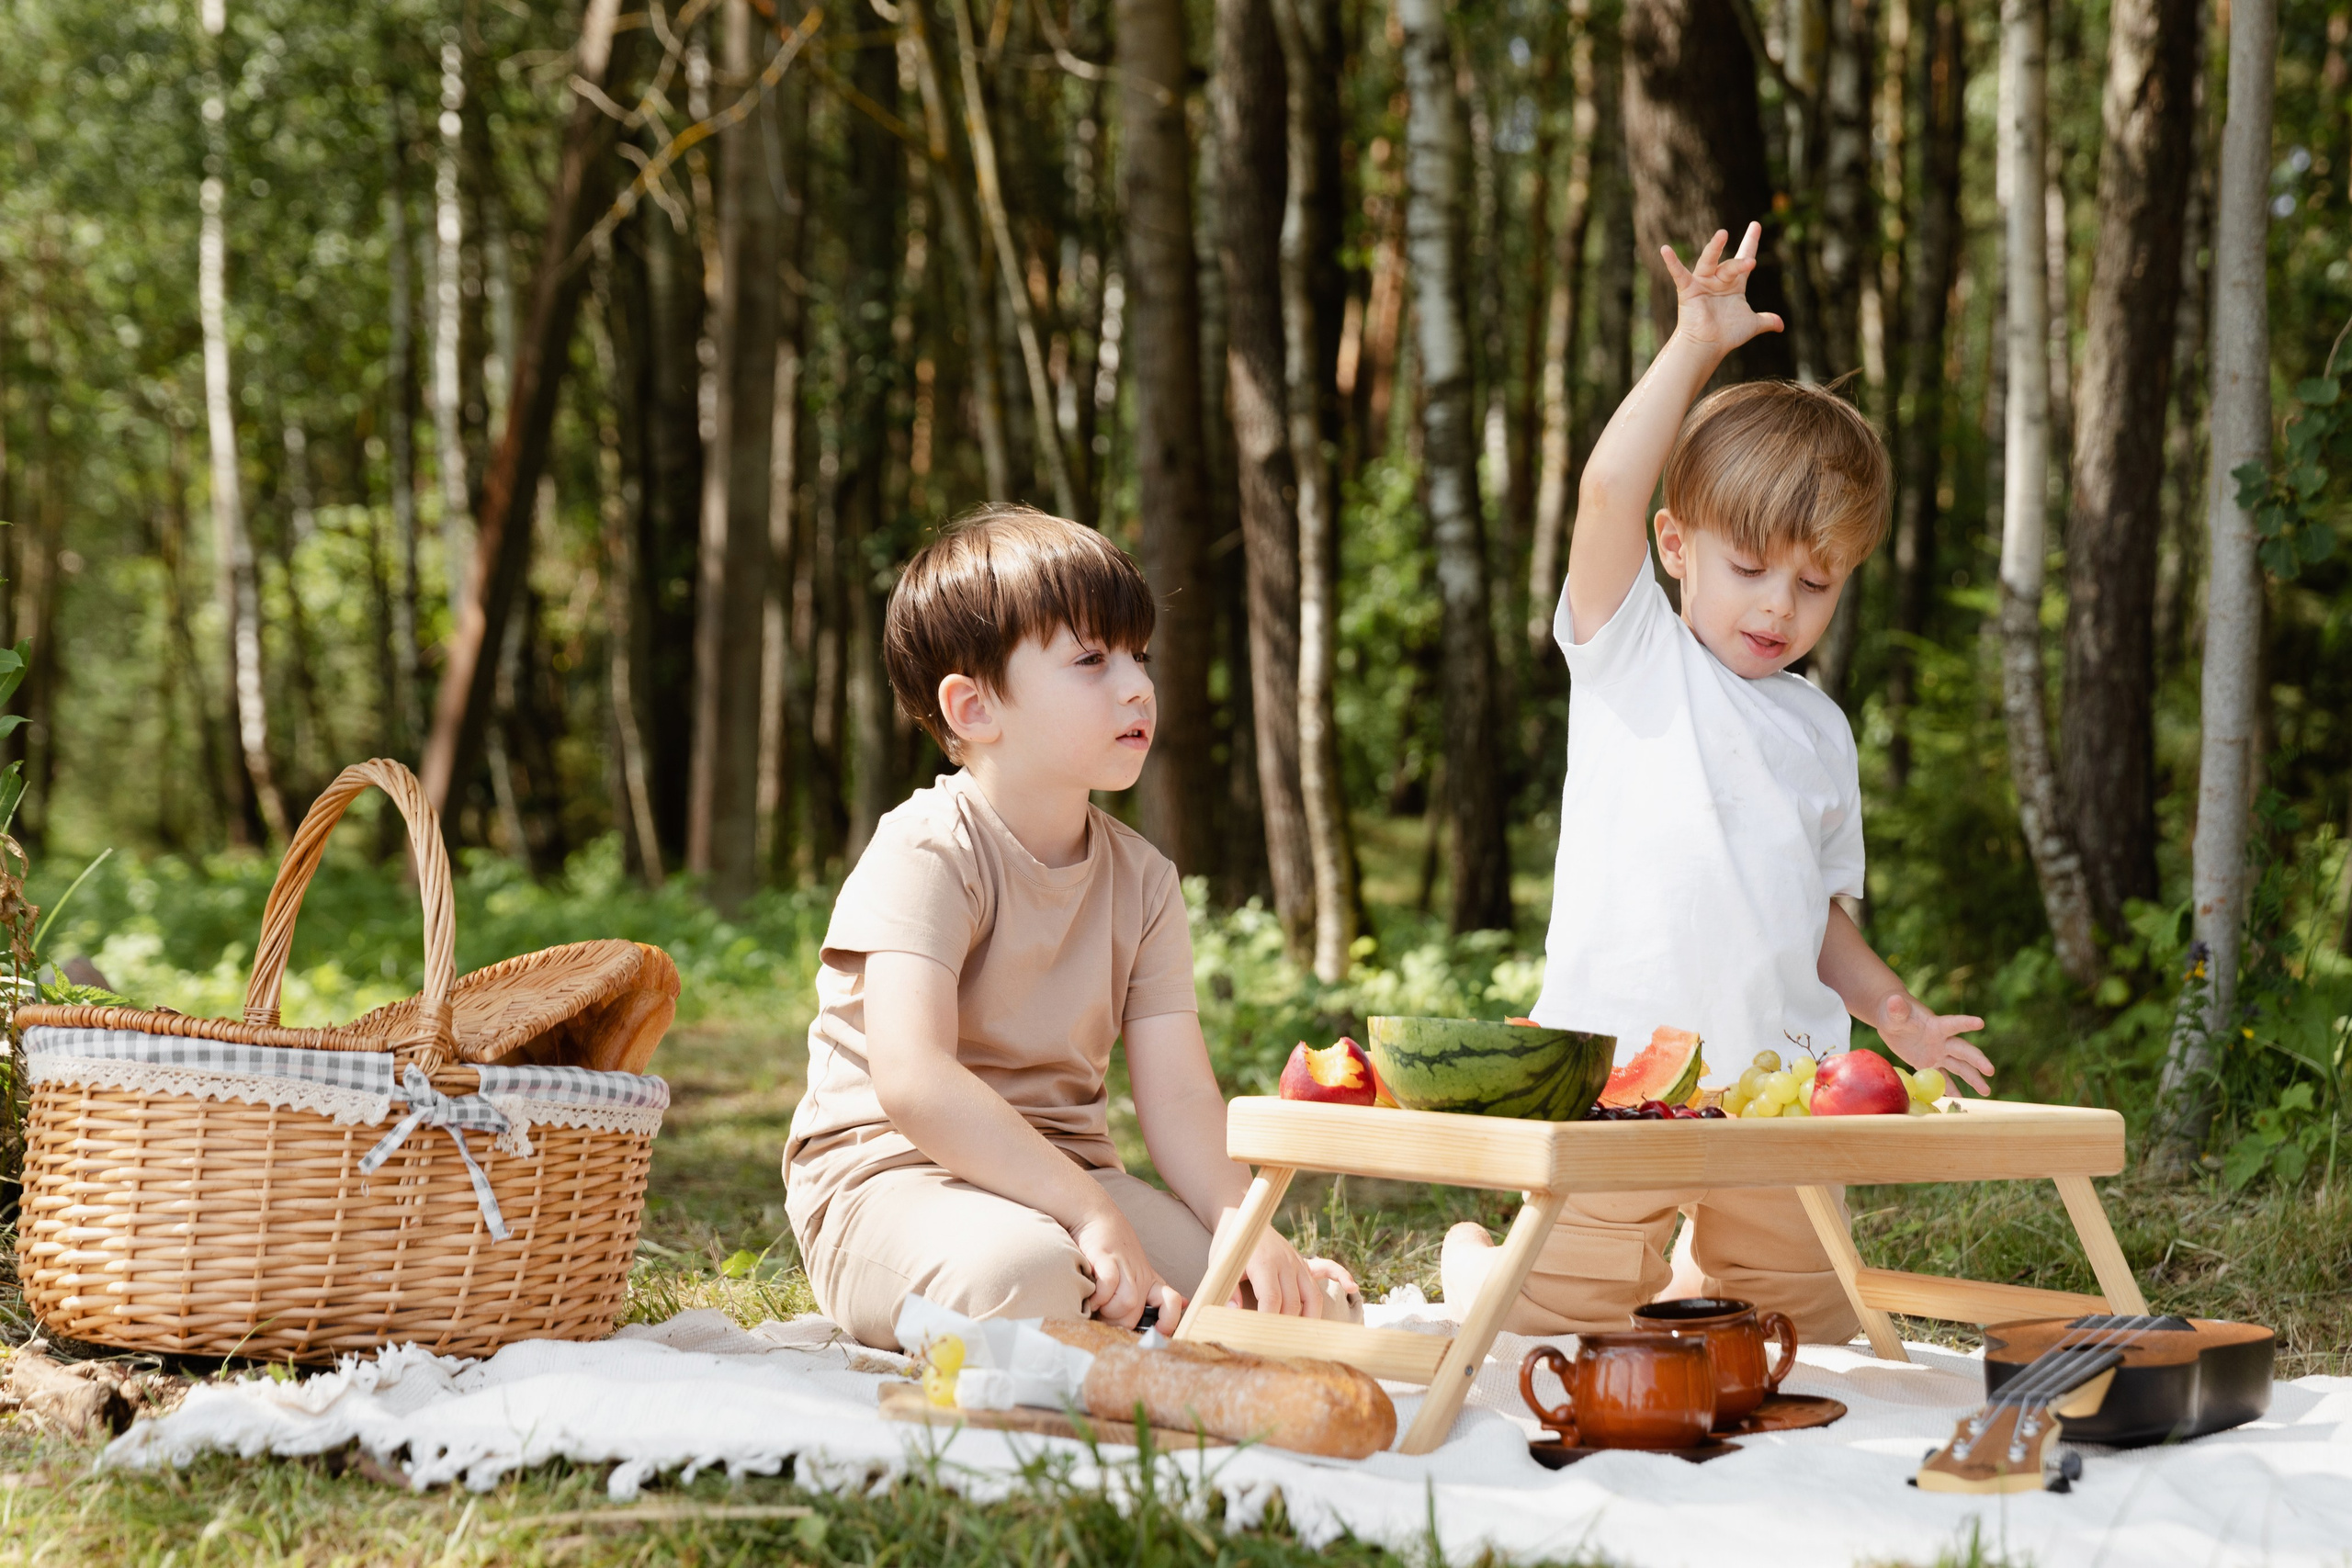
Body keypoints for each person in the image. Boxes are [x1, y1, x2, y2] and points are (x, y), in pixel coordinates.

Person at [1442, 224, 1996, 1341]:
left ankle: (1707, 1262)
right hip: (1613, 1079)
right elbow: (1602, 489)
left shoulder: (1820, 731)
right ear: (1675, 545)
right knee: (1549, 1322)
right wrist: (1693, 345)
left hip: (1775, 1092)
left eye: (1814, 582)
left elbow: (1816, 920)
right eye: (1747, 568)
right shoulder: (1632, 654)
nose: (1776, 608)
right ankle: (1476, 1263)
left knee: (1802, 1334)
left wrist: (1894, 1013)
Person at [785, 502, 1353, 1350]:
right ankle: (1090, 1307)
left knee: (1286, 1307)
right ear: (974, 708)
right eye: (1091, 660)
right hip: (893, 1180)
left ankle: (1123, 1309)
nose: (1137, 686)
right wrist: (1088, 1213)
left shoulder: (1145, 881)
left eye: (1140, 657)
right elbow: (912, 1079)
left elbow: (1183, 1096)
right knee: (1025, 1280)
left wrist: (1244, 1225)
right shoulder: (927, 849)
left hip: (1074, 1182)